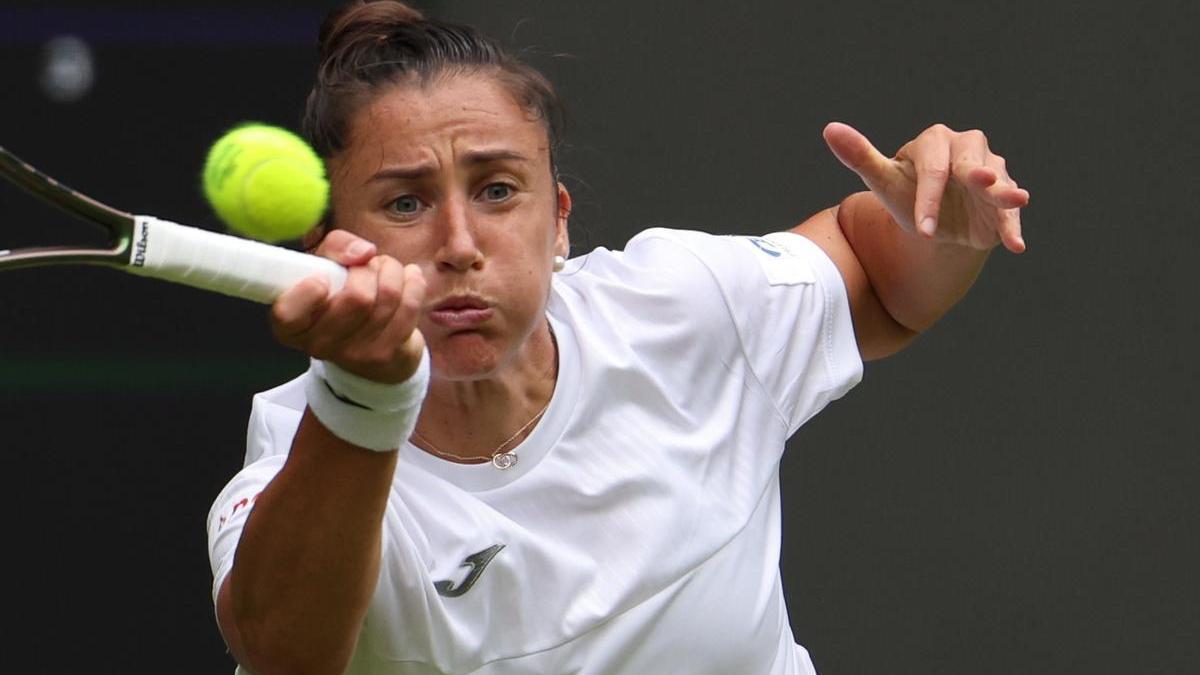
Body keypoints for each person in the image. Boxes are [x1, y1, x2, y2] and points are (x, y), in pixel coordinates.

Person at [205, 1, 1030, 673]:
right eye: (406, 204)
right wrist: (365, 397)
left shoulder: (680, 307)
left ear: (558, 221)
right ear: (331, 250)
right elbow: (284, 651)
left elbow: (879, 273)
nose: (459, 241)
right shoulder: (300, 449)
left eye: (497, 190)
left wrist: (944, 221)